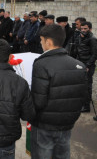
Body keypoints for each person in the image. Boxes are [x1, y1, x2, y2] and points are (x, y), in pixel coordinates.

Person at [30, 24, 87, 159]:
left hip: (44, 125)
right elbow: (82, 96)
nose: (40, 43)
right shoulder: (78, 65)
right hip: (67, 123)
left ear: (48, 42)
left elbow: (38, 101)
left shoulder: (41, 64)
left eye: (41, 40)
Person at [76, 21, 97, 113]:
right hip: (80, 63)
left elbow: (94, 54)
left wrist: (88, 65)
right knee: (80, 84)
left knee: (87, 85)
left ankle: (86, 106)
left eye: (85, 29)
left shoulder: (92, 39)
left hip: (88, 65)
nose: (83, 30)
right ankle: (81, 102)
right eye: (82, 29)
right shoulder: (80, 37)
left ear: (90, 29)